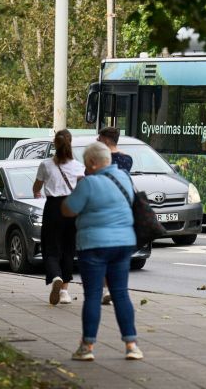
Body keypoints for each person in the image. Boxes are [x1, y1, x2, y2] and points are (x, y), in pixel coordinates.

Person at [61, 141, 142, 361]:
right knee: (121, 293)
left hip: (94, 245)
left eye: (86, 164)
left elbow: (68, 209)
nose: (85, 169)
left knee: (93, 296)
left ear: (93, 163)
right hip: (124, 243)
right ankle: (131, 345)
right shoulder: (124, 178)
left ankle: (87, 347)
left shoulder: (88, 183)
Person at [33, 129, 84, 305]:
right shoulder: (78, 166)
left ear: (55, 144)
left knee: (51, 247)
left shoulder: (46, 165)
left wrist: (37, 193)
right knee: (69, 248)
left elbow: (36, 187)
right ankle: (64, 292)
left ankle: (55, 277)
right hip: (72, 208)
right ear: (70, 144)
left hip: (53, 208)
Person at [96, 126, 132, 305]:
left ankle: (104, 289)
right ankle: (115, 289)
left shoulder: (101, 161)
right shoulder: (127, 159)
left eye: (99, 138)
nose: (97, 141)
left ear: (106, 140)